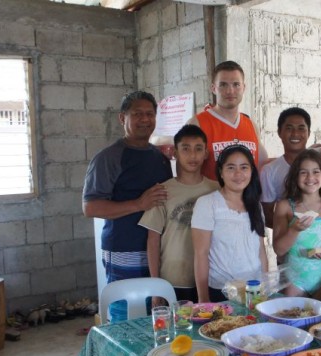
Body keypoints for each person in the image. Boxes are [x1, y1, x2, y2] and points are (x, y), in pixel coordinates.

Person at [82, 90, 172, 322]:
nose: (145, 119)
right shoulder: (108, 158)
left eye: (150, 114)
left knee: (157, 319)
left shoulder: (159, 158)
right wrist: (138, 203)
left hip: (157, 253)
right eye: (137, 114)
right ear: (123, 118)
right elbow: (90, 207)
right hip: (124, 252)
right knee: (127, 320)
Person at [138, 125, 219, 303]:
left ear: (206, 153)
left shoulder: (217, 189)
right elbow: (153, 240)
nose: (192, 155)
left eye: (198, 149)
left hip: (209, 279)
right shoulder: (161, 191)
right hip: (172, 280)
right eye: (185, 149)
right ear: (175, 153)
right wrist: (156, 286)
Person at [272, 149, 321, 301]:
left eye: (316, 172)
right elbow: (279, 250)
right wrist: (294, 229)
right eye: (303, 172)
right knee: (292, 321)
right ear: (295, 176)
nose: (310, 177)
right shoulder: (285, 207)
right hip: (294, 280)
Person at [191, 144, 269, 303]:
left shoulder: (256, 205)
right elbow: (201, 254)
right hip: (221, 292)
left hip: (254, 290)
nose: (238, 174)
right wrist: (203, 299)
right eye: (231, 167)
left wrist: (265, 287)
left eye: (244, 167)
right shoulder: (207, 204)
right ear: (221, 172)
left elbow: (261, 250)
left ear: (251, 171)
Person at [187, 60, 267, 180]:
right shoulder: (197, 124)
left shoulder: (251, 125)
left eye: (236, 84)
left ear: (243, 88)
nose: (230, 91)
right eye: (223, 85)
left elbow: (262, 165)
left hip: (249, 198)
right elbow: (187, 173)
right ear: (214, 88)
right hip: (212, 196)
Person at [260, 107, 311, 229]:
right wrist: (291, 234)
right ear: (279, 132)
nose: (295, 134)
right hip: (289, 243)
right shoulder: (269, 171)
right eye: (289, 128)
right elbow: (268, 215)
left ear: (309, 132)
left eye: (301, 128)